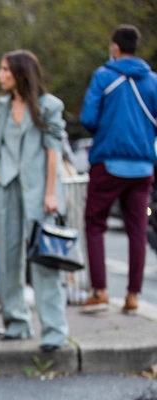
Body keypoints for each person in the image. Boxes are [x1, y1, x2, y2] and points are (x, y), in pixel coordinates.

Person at [0, 50, 68, 352]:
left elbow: (53, 149)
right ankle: (16, 323)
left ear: (21, 73)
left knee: (44, 262)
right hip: (5, 187)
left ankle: (55, 331)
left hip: (40, 191)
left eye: (5, 70)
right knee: (7, 257)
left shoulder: (49, 106)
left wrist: (51, 192)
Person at [80, 24, 157, 314]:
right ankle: (133, 296)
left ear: (114, 46)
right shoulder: (152, 81)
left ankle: (99, 290)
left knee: (95, 223)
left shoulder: (104, 77)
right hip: (143, 167)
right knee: (137, 230)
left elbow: (88, 118)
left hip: (108, 163)